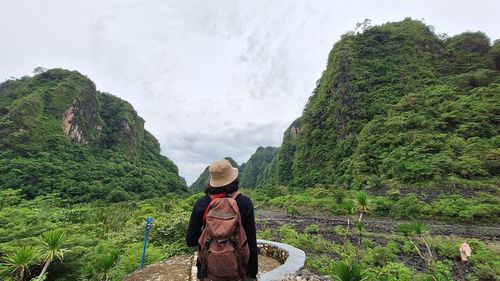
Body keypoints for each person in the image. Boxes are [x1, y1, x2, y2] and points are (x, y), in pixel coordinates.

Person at [186, 159, 258, 281]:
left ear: (212, 181)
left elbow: (191, 240)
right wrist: (252, 274)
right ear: (234, 178)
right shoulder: (245, 202)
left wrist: (211, 233)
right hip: (239, 272)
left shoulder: (201, 203)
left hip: (208, 272)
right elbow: (251, 243)